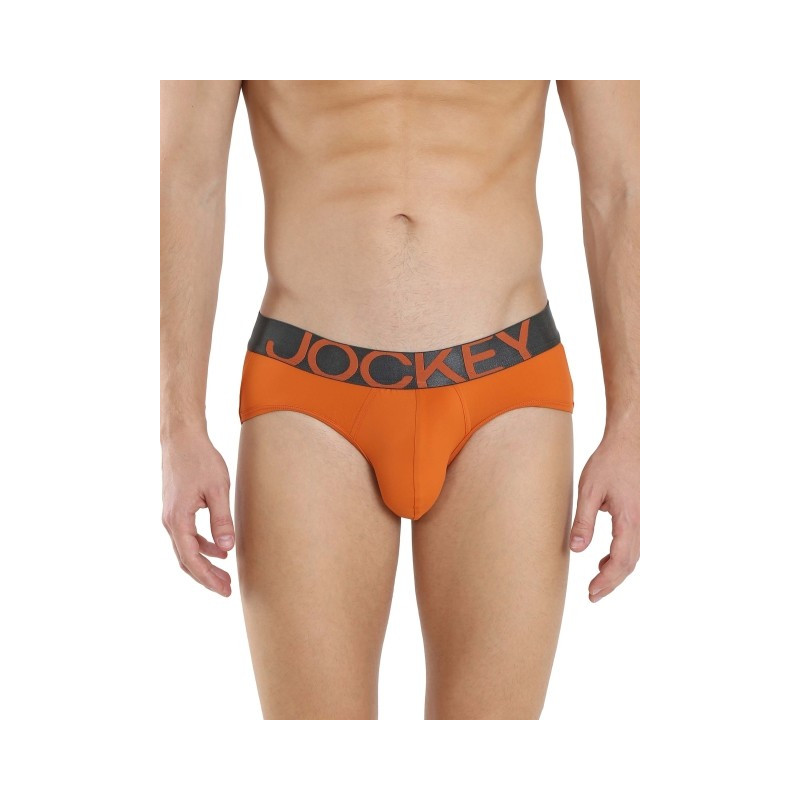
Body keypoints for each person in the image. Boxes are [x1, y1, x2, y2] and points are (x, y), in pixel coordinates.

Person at [160, 80, 640, 720]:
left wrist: (632, 427)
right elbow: (184, 176)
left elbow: (620, 184)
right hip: (308, 390)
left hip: (507, 389)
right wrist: (179, 427)